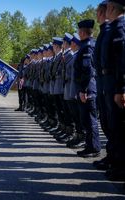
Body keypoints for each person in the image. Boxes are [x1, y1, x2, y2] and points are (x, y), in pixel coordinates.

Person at [101, 0, 125, 181]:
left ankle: (120, 166)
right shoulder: (114, 27)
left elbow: (122, 61)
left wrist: (121, 88)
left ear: (111, 8)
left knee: (119, 126)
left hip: (115, 83)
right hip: (109, 82)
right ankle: (115, 162)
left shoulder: (119, 27)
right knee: (112, 124)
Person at [74, 19, 101, 158]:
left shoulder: (88, 46)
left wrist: (83, 90)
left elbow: (88, 70)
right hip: (85, 88)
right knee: (86, 119)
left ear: (83, 32)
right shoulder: (87, 45)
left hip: (88, 88)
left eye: (79, 31)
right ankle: (89, 146)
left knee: (90, 120)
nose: (78, 33)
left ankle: (94, 148)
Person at [93, 0, 112, 170]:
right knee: (106, 123)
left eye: (98, 13)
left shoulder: (110, 30)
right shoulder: (105, 31)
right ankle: (112, 157)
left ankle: (117, 161)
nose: (96, 16)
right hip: (104, 85)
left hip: (109, 85)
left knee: (112, 125)